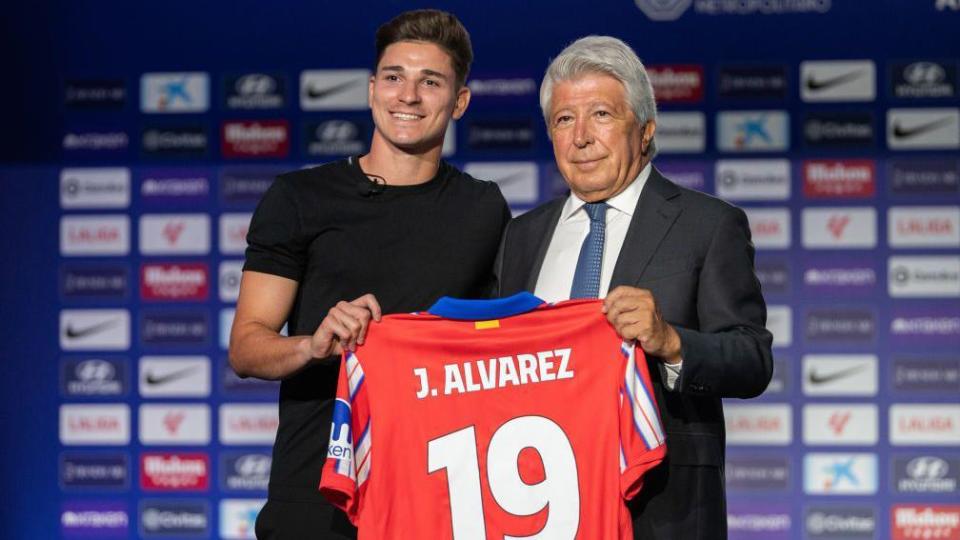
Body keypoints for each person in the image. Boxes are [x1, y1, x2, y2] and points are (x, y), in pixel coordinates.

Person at [229, 10, 510, 539]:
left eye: (431, 82)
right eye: (394, 77)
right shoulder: (298, 198)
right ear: (371, 88)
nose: (408, 95)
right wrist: (312, 345)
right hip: (317, 493)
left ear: (460, 101)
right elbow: (246, 347)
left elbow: (498, 346)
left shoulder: (484, 208)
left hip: (437, 494)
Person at [494, 36, 773, 539]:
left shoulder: (708, 224)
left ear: (645, 131)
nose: (580, 137)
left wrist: (671, 342)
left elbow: (752, 358)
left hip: (662, 506)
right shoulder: (522, 235)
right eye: (563, 120)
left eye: (600, 114)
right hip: (539, 502)